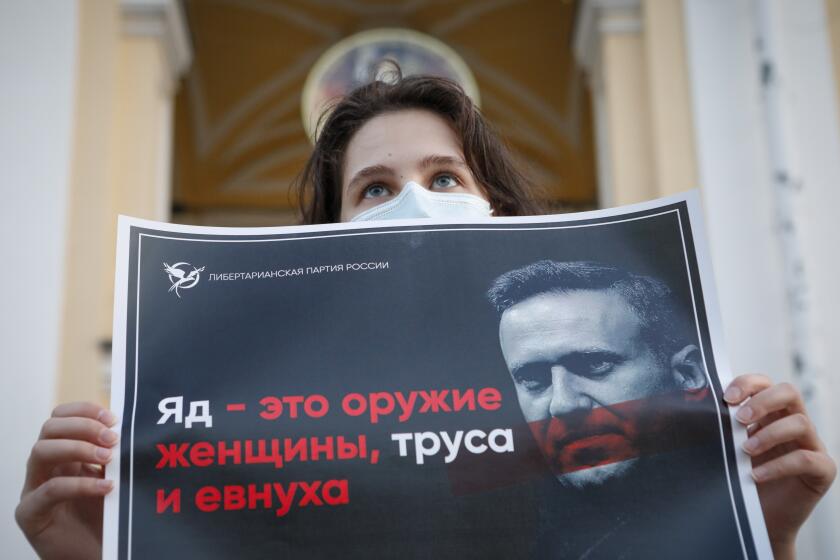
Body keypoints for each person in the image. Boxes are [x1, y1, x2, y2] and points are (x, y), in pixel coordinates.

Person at [17, 72, 835, 559]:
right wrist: (100, 552)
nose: (413, 199)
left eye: (446, 177)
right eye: (373, 187)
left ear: (498, 208)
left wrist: (759, 536)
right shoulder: (261, 448)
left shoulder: (612, 452)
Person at [486, 260, 743, 557]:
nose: (563, 404)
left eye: (595, 365)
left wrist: (771, 538)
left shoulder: (747, 500)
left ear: (687, 374)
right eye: (533, 379)